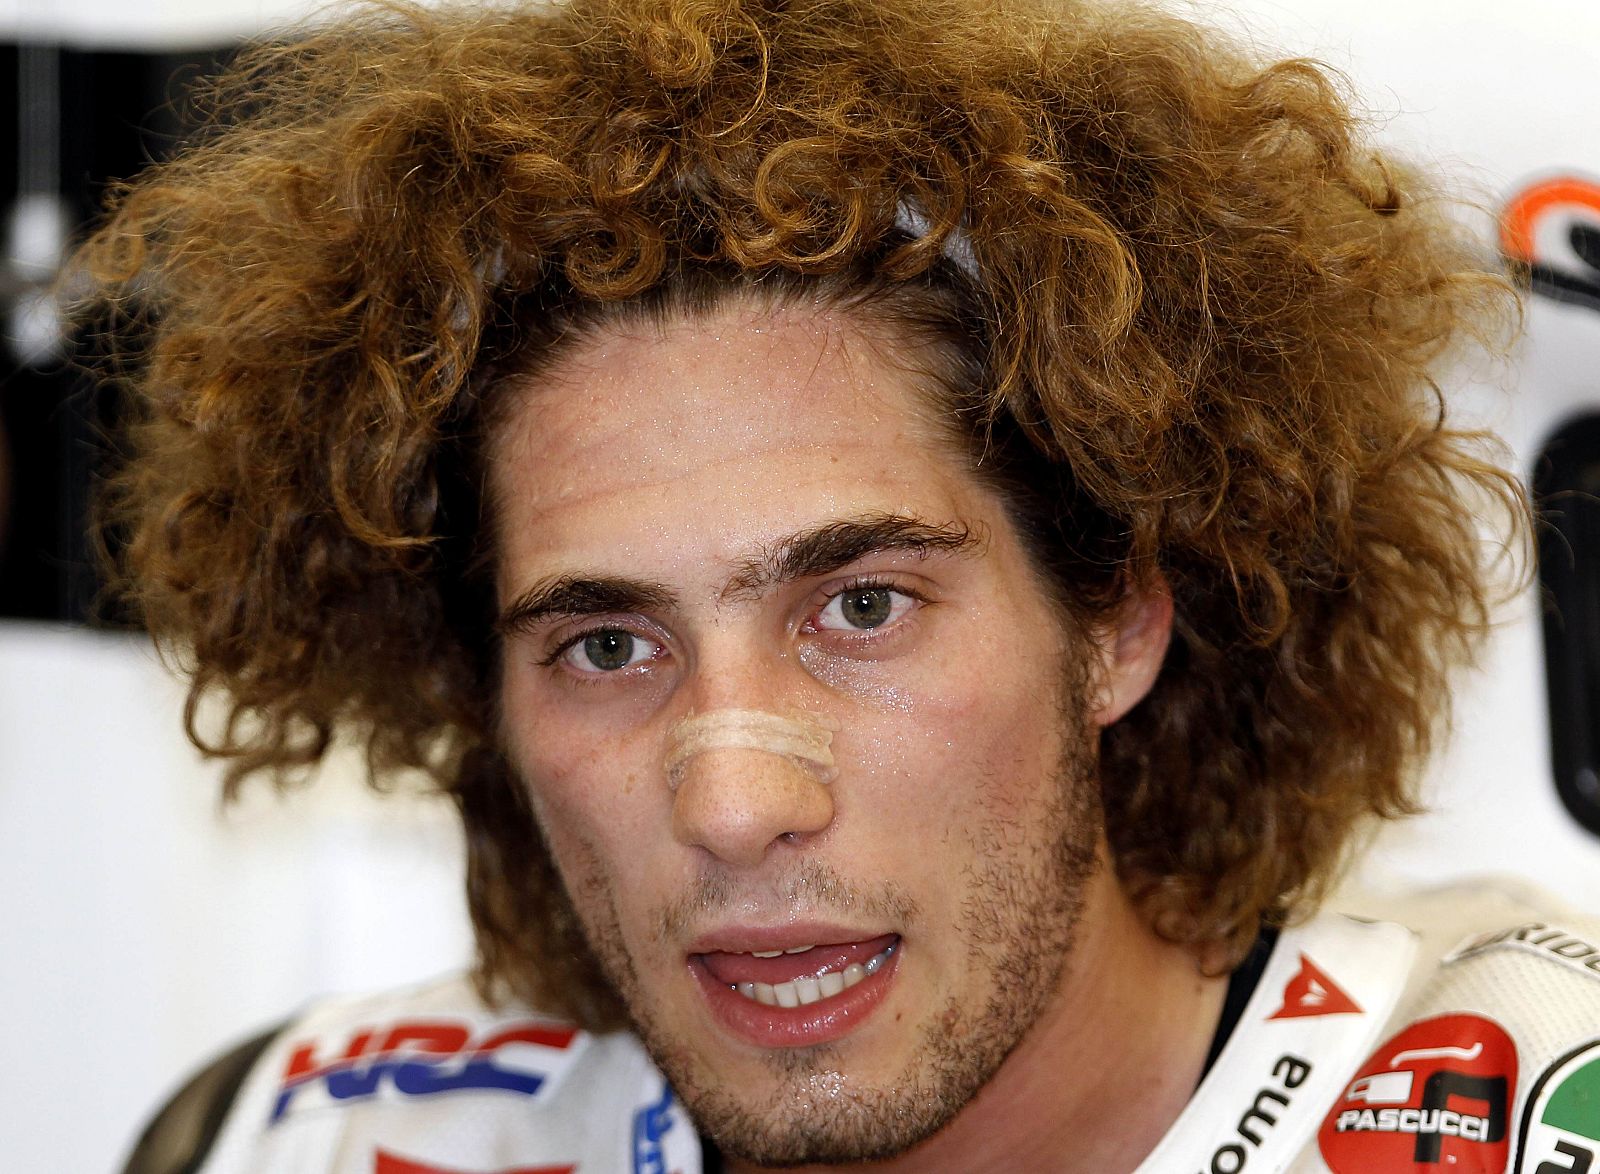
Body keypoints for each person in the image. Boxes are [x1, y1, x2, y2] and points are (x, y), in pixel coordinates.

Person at [86, 0, 1600, 1170]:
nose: (734, 799)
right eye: (608, 642)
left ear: (1120, 618)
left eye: (859, 607)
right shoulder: (313, 1132)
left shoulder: (1523, 1090)